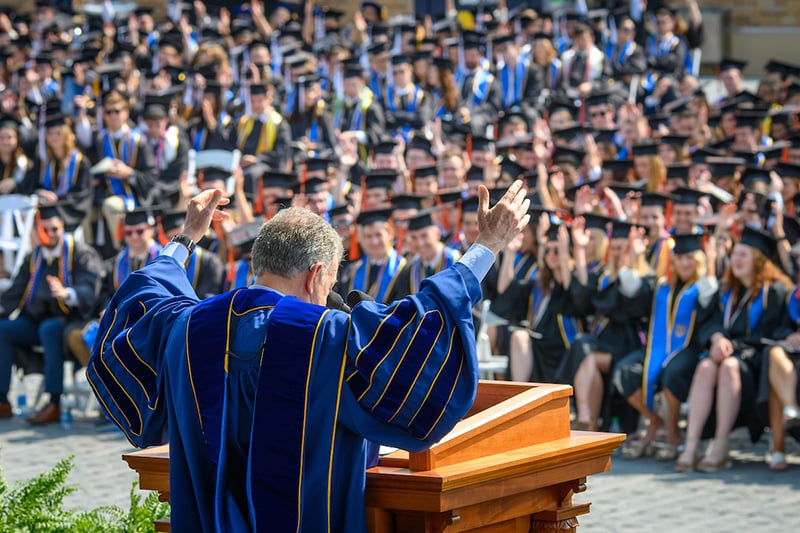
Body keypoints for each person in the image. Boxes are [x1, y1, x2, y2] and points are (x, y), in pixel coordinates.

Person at [87, 181, 530, 531]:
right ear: (318, 274)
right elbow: (423, 326)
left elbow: (147, 292)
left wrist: (186, 238)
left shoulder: (186, 327)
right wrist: (487, 245)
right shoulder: (327, 337)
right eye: (332, 281)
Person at [676, 227, 793, 472]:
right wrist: (718, 337)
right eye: (734, 255)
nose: (735, 260)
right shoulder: (728, 290)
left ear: (759, 259)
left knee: (728, 365)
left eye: (743, 255)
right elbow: (709, 322)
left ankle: (721, 446)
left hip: (756, 368)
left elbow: (776, 336)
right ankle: (691, 445)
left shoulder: (777, 292)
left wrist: (733, 348)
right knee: (706, 365)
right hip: (725, 359)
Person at [0, 204, 102, 422]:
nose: (51, 234)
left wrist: (67, 293)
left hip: (67, 323)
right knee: (3, 330)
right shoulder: (33, 258)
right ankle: (2, 399)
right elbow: (15, 292)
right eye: (45, 229)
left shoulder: (81, 254)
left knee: (50, 329)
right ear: (37, 232)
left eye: (55, 229)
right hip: (35, 323)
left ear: (62, 227)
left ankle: (54, 402)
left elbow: (89, 288)